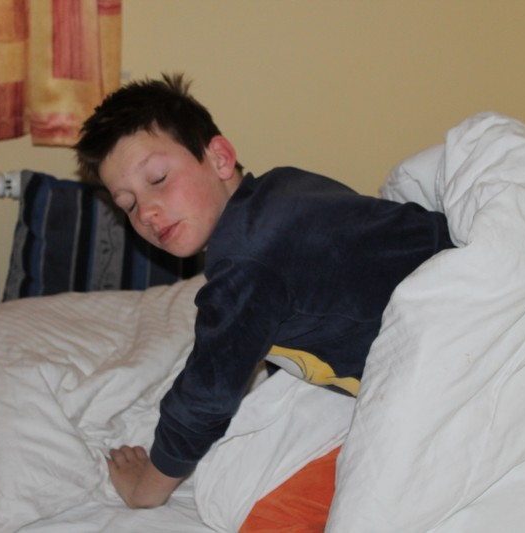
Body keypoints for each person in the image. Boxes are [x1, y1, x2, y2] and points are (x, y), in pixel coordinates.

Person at [73, 74, 454, 509]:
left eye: (157, 178)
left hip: (457, 343)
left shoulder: (246, 262)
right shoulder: (284, 187)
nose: (146, 212)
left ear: (220, 158)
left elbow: (204, 395)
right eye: (128, 204)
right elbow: (303, 305)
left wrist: (145, 490)